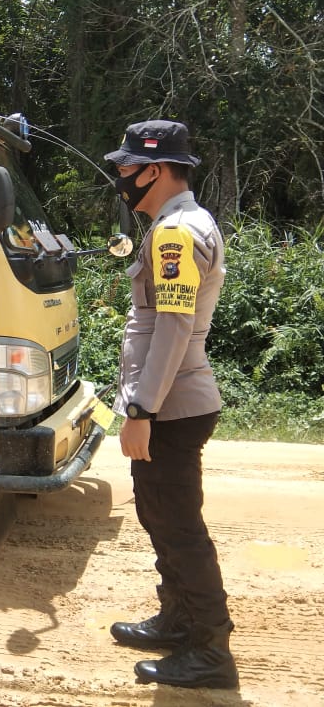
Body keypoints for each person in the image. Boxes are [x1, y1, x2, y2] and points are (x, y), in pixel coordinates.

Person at [104, 120, 238, 689]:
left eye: (128, 167)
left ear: (156, 170)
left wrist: (142, 412)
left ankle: (210, 651)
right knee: (160, 516)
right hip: (172, 402)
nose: (121, 176)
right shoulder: (175, 224)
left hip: (172, 406)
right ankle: (179, 618)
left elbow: (174, 329)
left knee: (180, 528)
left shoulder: (177, 233)